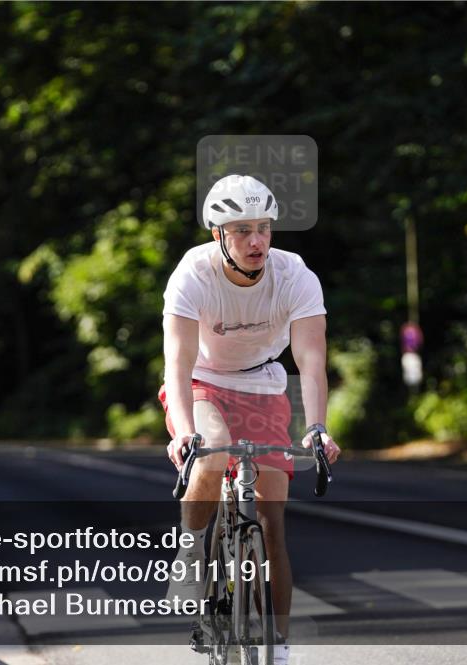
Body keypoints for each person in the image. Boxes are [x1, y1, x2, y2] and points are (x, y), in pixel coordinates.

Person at [161, 174, 340, 663]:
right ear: (218, 234)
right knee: (211, 456)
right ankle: (193, 551)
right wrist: (186, 433)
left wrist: (318, 426)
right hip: (203, 380)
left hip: (263, 383)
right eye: (241, 230)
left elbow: (311, 361)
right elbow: (175, 363)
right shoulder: (192, 274)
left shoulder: (296, 276)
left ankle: (278, 646)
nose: (256, 240)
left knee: (272, 521)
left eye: (263, 227)